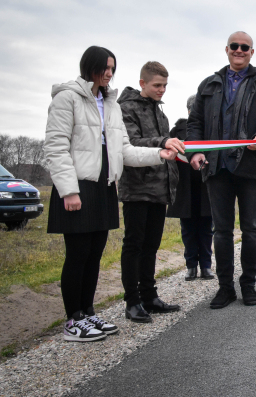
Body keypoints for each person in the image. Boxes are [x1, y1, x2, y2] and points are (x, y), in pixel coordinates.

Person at [44, 46, 177, 342]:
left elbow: (125, 151)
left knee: (94, 254)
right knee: (77, 255)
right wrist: (68, 190)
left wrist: (160, 154)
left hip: (104, 187)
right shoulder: (67, 98)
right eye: (104, 67)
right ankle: (73, 320)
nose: (108, 73)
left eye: (112, 68)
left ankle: (88, 312)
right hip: (77, 187)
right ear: (88, 66)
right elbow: (56, 147)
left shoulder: (110, 104)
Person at [187, 31, 256, 309]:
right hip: (217, 167)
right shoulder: (209, 84)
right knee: (221, 231)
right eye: (234, 46)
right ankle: (225, 288)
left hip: (250, 165)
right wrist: (195, 151)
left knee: (252, 229)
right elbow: (195, 123)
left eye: (245, 47)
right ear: (226, 49)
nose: (239, 50)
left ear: (252, 52)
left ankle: (248, 285)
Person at [118, 61, 185, 323]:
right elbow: (131, 143)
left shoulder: (161, 113)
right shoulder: (125, 109)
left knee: (151, 246)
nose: (162, 90)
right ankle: (132, 302)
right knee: (133, 245)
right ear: (142, 83)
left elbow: (166, 148)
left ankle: (149, 296)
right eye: (157, 85)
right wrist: (162, 141)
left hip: (160, 188)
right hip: (136, 187)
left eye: (165, 86)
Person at [167, 94, 214, 281]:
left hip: (206, 188)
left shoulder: (211, 131)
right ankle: (191, 266)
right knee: (187, 230)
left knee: (206, 229)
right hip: (185, 189)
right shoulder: (177, 131)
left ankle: (206, 266)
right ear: (188, 111)